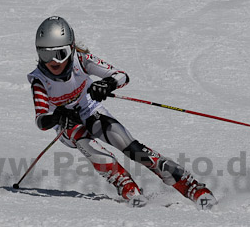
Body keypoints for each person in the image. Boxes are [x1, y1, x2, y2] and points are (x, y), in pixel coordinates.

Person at [27, 16, 217, 210]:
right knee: (82, 138)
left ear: (71, 48)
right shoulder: (40, 80)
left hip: (91, 110)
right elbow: (41, 120)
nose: (52, 62)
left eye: (60, 53)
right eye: (45, 55)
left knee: (129, 146)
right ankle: (126, 185)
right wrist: (58, 116)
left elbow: (121, 76)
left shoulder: (81, 60)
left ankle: (191, 186)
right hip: (66, 125)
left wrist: (107, 84)